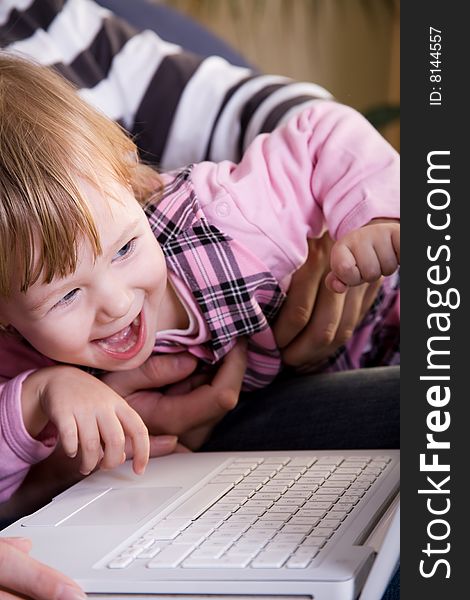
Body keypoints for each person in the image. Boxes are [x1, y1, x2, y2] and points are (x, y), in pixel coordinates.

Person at [0, 51, 399, 494]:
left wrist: (374, 218)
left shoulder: (226, 213)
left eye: (126, 249)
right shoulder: (22, 359)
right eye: (66, 297)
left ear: (132, 180)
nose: (116, 302)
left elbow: (321, 130)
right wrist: (35, 398)